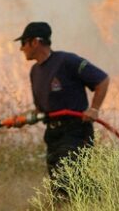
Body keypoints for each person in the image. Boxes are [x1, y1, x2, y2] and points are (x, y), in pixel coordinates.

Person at [12, 21, 110, 197]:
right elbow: (41, 110)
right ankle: (100, 203)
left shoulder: (67, 61)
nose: (21, 49)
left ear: (35, 42)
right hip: (53, 135)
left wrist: (94, 109)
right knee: (59, 188)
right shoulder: (34, 71)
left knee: (67, 180)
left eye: (23, 43)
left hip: (76, 131)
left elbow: (102, 80)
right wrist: (22, 119)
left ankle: (105, 202)